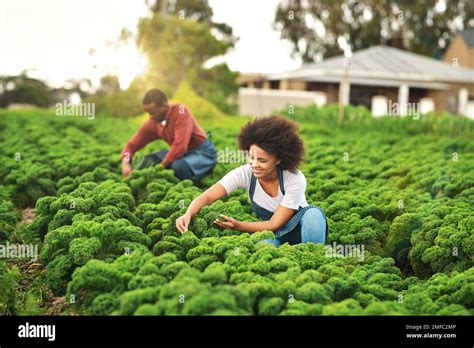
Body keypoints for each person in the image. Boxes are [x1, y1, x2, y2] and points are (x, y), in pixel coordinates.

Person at [175, 115, 328, 246]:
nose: (254, 164)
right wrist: (188, 214)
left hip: (303, 228)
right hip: (276, 235)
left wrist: (238, 226)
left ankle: (315, 253)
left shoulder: (294, 178)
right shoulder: (245, 173)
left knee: (313, 215)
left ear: (278, 159)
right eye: (251, 157)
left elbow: (274, 223)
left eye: (262, 160)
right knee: (262, 246)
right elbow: (208, 196)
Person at [120, 88, 217, 182]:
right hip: (180, 154)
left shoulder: (181, 110)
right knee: (147, 161)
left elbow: (180, 146)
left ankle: (197, 180)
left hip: (201, 151)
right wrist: (125, 162)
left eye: (153, 113)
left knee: (179, 167)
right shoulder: (153, 122)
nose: (151, 117)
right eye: (148, 113)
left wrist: (162, 166)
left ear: (164, 105)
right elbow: (131, 145)